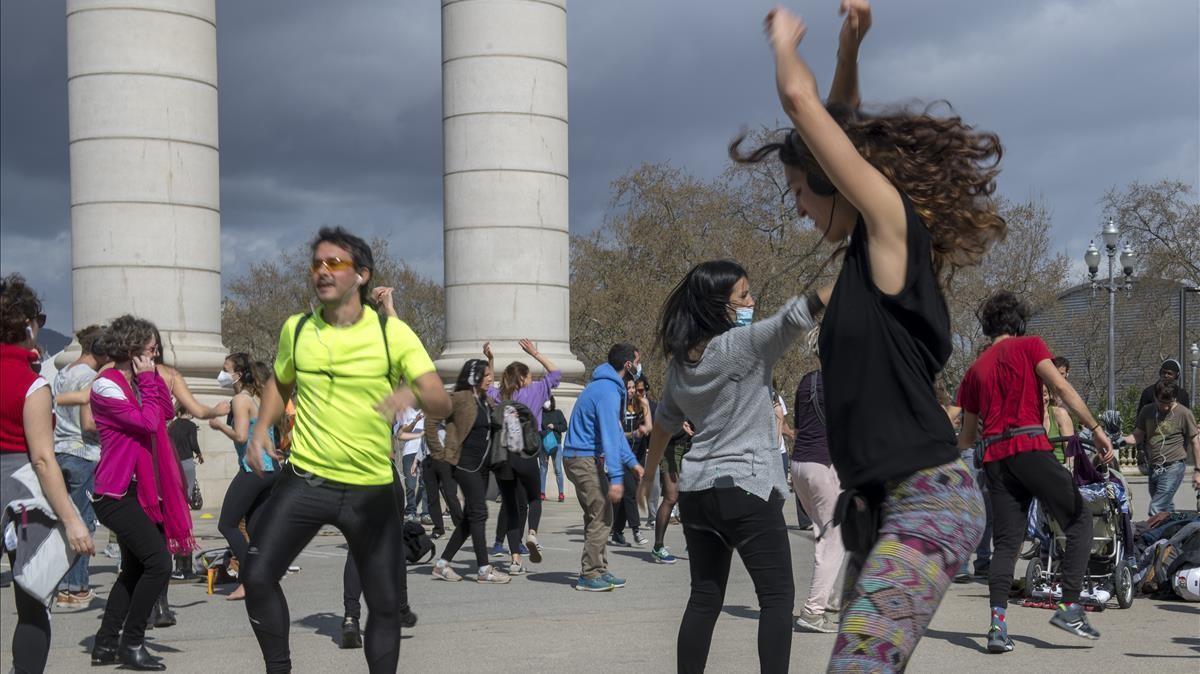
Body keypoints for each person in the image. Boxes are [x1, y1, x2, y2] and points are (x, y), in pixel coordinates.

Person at [736, 2, 1007, 668]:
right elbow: (836, 127)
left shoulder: (892, 230)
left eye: (800, 190)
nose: (798, 207)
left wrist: (783, 43)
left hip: (927, 501)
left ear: (833, 182)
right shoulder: (864, 254)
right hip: (885, 508)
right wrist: (849, 49)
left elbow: (804, 106)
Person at [239, 227, 450, 674]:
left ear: (361, 275)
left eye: (334, 263)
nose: (322, 271)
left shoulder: (393, 334)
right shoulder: (296, 329)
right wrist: (260, 429)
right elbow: (281, 379)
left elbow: (440, 399)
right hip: (305, 481)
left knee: (386, 605)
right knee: (256, 577)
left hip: (370, 491)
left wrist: (408, 395)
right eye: (316, 263)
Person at [640, 260, 815, 673]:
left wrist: (647, 477)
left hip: (698, 494)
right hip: (746, 489)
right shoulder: (742, 345)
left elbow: (663, 424)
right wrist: (843, 282)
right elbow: (794, 318)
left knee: (704, 598)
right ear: (721, 306)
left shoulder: (681, 362)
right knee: (776, 598)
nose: (752, 302)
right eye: (744, 296)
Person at [957, 291, 1115, 652]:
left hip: (995, 460)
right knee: (1078, 520)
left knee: (1007, 545)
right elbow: (1059, 386)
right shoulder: (1029, 346)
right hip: (1029, 447)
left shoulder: (975, 369)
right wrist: (1095, 428)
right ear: (1018, 322)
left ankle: (997, 628)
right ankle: (1069, 605)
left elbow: (966, 438)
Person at [0, 275, 94, 674]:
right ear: (27, 325)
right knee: (32, 601)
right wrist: (73, 520)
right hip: (21, 489)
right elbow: (42, 458)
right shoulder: (31, 384)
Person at [89, 314, 194, 671]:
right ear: (131, 347)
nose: (156, 352)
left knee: (134, 570)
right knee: (159, 563)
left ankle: (104, 645)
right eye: (150, 347)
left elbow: (165, 411)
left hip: (141, 492)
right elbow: (148, 423)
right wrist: (148, 378)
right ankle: (131, 643)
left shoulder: (138, 381)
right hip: (115, 494)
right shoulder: (107, 385)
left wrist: (152, 378)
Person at [561, 343, 644, 591]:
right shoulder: (607, 391)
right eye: (638, 362)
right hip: (582, 459)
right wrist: (617, 478)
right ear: (628, 365)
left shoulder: (605, 387)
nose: (640, 368)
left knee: (597, 515)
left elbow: (616, 434)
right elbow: (610, 435)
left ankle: (599, 569)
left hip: (584, 457)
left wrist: (632, 463)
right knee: (602, 514)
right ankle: (589, 575)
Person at [426, 359, 510, 584]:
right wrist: (440, 453)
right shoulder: (460, 398)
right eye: (485, 375)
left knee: (469, 519)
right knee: (480, 513)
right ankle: (484, 570)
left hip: (481, 467)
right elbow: (431, 421)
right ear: (473, 377)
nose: (490, 378)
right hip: (463, 465)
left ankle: (442, 564)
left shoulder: (484, 400)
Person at [485, 339, 560, 569]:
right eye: (528, 376)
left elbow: (487, 385)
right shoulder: (536, 391)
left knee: (512, 506)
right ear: (522, 378)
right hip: (527, 453)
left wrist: (490, 359)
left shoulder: (500, 396)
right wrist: (535, 353)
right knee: (533, 498)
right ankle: (533, 534)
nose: (531, 379)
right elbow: (556, 372)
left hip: (505, 458)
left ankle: (515, 560)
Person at [207, 354, 278, 601]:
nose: (222, 374)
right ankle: (264, 578)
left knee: (226, 524)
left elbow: (240, 436)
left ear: (238, 373)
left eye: (225, 369)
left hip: (252, 469)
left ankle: (249, 579)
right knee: (256, 528)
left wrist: (218, 425)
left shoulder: (240, 399)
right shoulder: (257, 397)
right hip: (270, 470)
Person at [789, 333, 845, 634]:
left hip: (799, 465)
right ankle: (813, 611)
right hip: (823, 465)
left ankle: (831, 596)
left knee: (826, 531)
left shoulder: (807, 380)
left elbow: (801, 425)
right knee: (833, 536)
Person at [51, 324, 106, 607]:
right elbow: (88, 423)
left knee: (65, 522)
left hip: (59, 450)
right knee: (84, 522)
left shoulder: (64, 372)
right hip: (83, 453)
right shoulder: (91, 378)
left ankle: (63, 585)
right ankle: (76, 587)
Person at [1125, 379, 1200, 516]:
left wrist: (1198, 470)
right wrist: (1121, 440)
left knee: (1156, 508)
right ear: (1155, 397)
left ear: (1175, 399)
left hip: (1174, 466)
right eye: (1161, 402)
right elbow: (1137, 435)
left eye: (1169, 403)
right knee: (1166, 509)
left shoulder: (1184, 413)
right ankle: (1174, 533)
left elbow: (1195, 442)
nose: (1165, 407)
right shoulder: (1147, 411)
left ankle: (1151, 537)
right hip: (1154, 466)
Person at [612, 376, 651, 547]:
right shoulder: (615, 405)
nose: (632, 391)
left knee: (625, 495)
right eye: (628, 387)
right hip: (621, 452)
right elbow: (617, 434)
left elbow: (649, 426)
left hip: (638, 453)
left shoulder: (642, 403)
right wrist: (632, 434)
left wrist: (644, 429)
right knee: (632, 490)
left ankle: (617, 532)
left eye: (633, 387)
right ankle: (636, 530)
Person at [167, 404, 202, 579]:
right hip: (187, 461)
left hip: (173, 463)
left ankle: (181, 564)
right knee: (185, 497)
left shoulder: (171, 426)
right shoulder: (190, 426)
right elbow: (192, 443)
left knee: (177, 498)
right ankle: (184, 565)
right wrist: (199, 453)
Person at [540, 395, 568, 502]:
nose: (546, 402)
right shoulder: (540, 414)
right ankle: (542, 493)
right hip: (544, 446)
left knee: (558, 470)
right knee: (543, 469)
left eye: (548, 400)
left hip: (557, 445)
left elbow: (565, 427)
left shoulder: (558, 413)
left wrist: (554, 426)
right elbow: (537, 429)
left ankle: (561, 493)